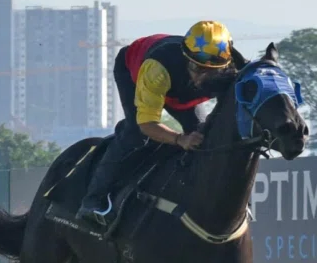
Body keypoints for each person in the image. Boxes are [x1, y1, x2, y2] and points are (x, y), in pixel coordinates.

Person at [76, 20, 246, 226]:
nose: (201, 77)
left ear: (225, 66)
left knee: (204, 139)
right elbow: (147, 124)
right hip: (135, 72)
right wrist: (179, 139)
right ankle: (92, 200)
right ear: (186, 57)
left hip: (180, 92)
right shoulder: (157, 68)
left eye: (210, 72)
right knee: (135, 134)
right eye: (196, 67)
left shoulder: (235, 68)